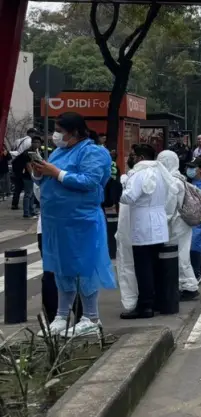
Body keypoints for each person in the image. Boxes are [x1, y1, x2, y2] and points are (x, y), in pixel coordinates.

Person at [29, 113, 115, 336]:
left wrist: (56, 172)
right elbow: (48, 178)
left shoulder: (93, 152)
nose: (55, 135)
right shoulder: (59, 151)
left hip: (81, 220)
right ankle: (61, 314)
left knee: (83, 268)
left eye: (59, 130)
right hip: (56, 222)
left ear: (75, 132)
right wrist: (39, 173)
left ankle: (90, 317)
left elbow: (89, 181)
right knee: (61, 268)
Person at [119, 143, 177, 319]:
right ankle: (158, 301)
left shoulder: (139, 174)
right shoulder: (161, 173)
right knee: (155, 266)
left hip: (143, 224)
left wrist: (122, 184)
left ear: (141, 158)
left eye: (134, 155)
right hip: (158, 223)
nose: (132, 158)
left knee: (143, 267)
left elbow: (129, 197)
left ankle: (145, 306)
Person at [157, 150, 200, 301]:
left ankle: (189, 286)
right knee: (182, 254)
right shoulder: (178, 178)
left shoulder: (172, 181)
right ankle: (187, 284)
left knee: (180, 256)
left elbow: (169, 207)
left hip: (176, 223)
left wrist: (161, 222)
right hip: (182, 222)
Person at [12, 135, 42, 218]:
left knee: (32, 194)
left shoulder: (36, 151)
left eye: (38, 143)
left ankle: (31, 211)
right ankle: (26, 212)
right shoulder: (28, 152)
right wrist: (33, 175)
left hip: (30, 175)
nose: (36, 144)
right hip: (27, 175)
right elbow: (28, 165)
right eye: (35, 142)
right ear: (31, 143)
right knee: (28, 194)